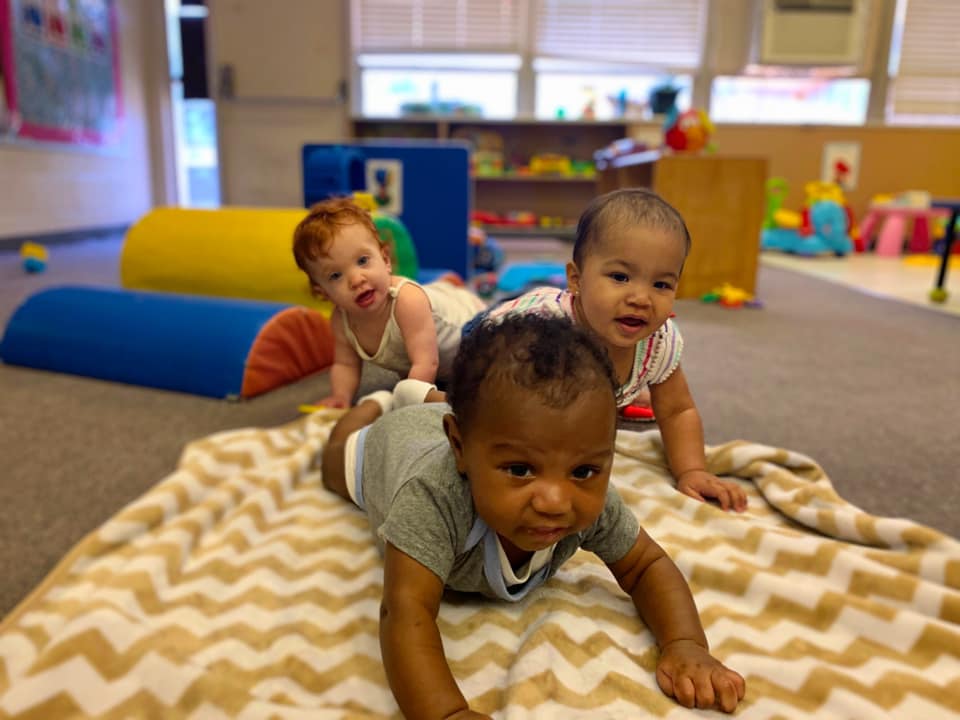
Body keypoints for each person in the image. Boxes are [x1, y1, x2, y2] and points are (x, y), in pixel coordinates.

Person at [321, 314, 746, 718]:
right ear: (461, 449)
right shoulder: (431, 500)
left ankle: (413, 401)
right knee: (334, 464)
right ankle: (369, 409)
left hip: (464, 426)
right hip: (393, 449)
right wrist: (447, 713)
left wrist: (686, 643)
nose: (556, 501)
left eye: (583, 470)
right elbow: (405, 611)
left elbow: (646, 565)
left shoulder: (590, 500)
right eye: (520, 470)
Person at [481, 188, 748, 513]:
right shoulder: (542, 330)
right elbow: (498, 403)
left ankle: (623, 393)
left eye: (661, 285)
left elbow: (678, 410)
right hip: (488, 358)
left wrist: (692, 471)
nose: (641, 298)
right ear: (576, 280)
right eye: (620, 277)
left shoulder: (657, 341)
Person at [292, 196, 486, 408]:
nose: (356, 280)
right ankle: (445, 286)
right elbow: (345, 364)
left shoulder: (406, 302)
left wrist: (405, 406)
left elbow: (426, 362)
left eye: (363, 261)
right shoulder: (341, 320)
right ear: (324, 293)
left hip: (470, 324)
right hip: (432, 337)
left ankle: (450, 288)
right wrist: (341, 397)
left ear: (385, 260)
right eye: (336, 275)